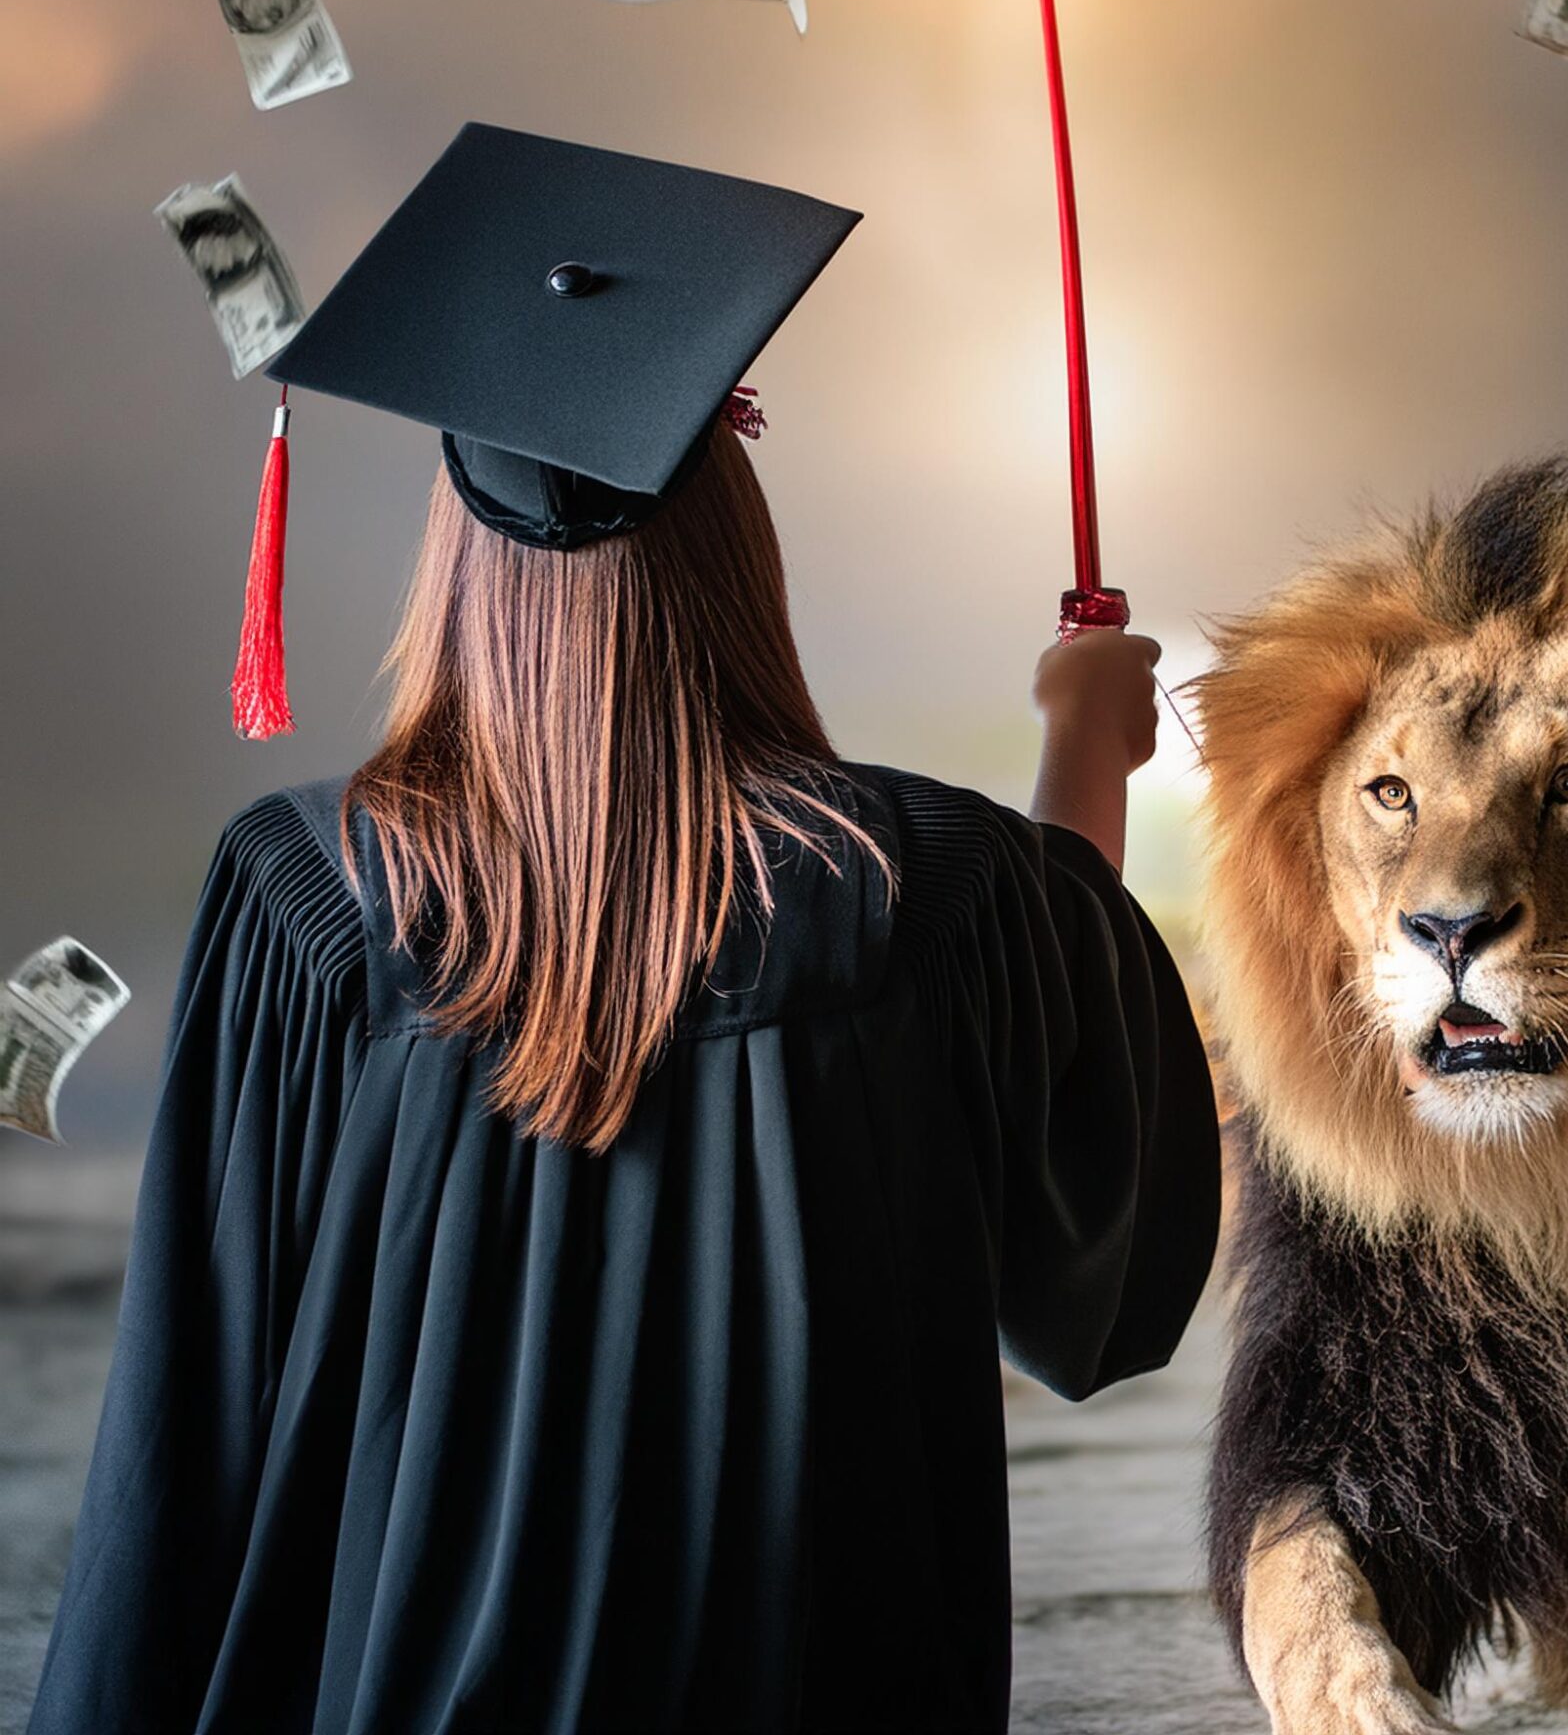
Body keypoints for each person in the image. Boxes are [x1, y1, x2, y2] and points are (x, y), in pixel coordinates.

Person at [28, 124, 1220, 1734]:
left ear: (457, 569)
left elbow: (189, 1431)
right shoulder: (915, 891)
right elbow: (1092, 1192)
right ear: (739, 555)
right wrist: (1085, 739)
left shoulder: (309, 898)